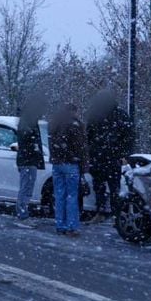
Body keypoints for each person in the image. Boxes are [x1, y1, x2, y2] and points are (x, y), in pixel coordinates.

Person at [86, 90, 134, 217]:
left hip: (100, 157)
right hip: (110, 157)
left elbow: (88, 136)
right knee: (113, 187)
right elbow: (129, 137)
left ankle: (103, 212)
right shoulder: (120, 116)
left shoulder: (95, 115)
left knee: (101, 186)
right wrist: (123, 154)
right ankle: (114, 214)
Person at [48, 101, 89, 236]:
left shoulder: (55, 124)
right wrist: (82, 164)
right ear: (74, 112)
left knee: (59, 195)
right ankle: (72, 226)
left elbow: (54, 143)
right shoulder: (75, 125)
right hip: (71, 164)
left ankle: (60, 225)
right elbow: (80, 147)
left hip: (57, 163)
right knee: (72, 196)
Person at [14, 91, 48, 222]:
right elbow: (26, 138)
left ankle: (23, 213)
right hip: (28, 160)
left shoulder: (28, 121)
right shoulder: (27, 122)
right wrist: (33, 145)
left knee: (27, 187)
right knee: (26, 187)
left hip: (28, 159)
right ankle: (22, 215)